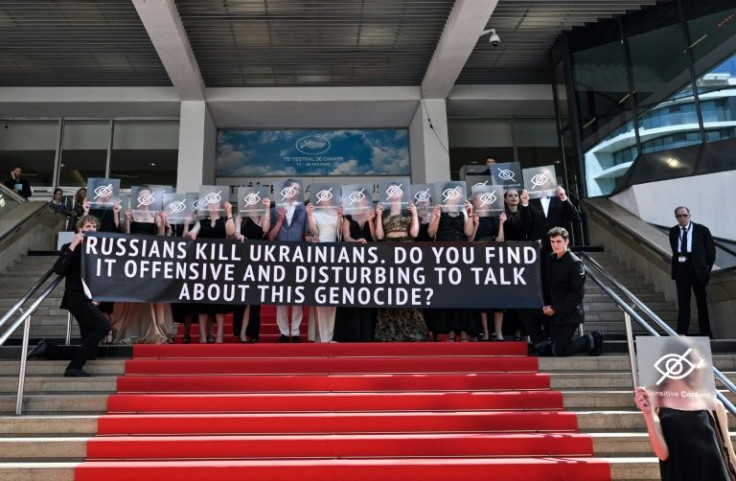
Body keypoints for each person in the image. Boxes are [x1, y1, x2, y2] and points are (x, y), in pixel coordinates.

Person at [634, 338, 736, 480]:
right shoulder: (657, 404)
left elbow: (729, 452)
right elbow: (662, 453)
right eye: (693, 363)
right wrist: (648, 414)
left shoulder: (712, 404)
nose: (699, 367)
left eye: (700, 362)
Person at [52, 215, 110, 377]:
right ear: (79, 229)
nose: (91, 229)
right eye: (87, 226)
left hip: (91, 299)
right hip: (76, 297)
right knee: (103, 327)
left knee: (91, 351)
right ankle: (74, 368)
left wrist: (98, 296)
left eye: (94, 227)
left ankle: (48, 349)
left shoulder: (100, 248)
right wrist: (74, 244)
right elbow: (59, 269)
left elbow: (103, 275)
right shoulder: (69, 246)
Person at [530, 227, 603, 357]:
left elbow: (577, 294)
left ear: (566, 241)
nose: (555, 245)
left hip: (569, 313)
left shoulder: (575, 263)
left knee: (559, 351)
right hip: (553, 313)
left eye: (558, 241)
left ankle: (591, 338)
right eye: (552, 242)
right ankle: (543, 344)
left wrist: (556, 309)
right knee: (526, 310)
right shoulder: (550, 258)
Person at [374, 192, 428, 342]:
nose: (394, 192)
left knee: (408, 288)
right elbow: (379, 236)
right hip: (388, 250)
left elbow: (414, 233)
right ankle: (389, 332)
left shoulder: (408, 210)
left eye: (397, 190)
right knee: (389, 289)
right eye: (390, 190)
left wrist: (415, 214)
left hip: (406, 250)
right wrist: (378, 216)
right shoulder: (384, 212)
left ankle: (412, 330)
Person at [428, 185, 475, 342]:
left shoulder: (463, 210)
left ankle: (463, 330)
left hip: (460, 252)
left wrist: (470, 214)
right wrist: (437, 216)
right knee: (447, 291)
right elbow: (430, 233)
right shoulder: (438, 209)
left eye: (460, 192)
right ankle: (450, 330)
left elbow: (468, 233)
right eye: (457, 192)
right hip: (442, 253)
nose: (459, 194)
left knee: (461, 291)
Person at [187, 199, 236, 343]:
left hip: (220, 267)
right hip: (203, 267)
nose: (213, 206)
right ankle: (203, 335)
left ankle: (219, 334)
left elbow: (231, 232)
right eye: (210, 204)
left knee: (220, 301)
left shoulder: (224, 220)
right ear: (206, 207)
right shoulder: (201, 222)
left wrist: (229, 212)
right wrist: (191, 234)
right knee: (202, 301)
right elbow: (192, 233)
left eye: (215, 203)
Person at [268, 180, 311, 343]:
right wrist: (279, 220)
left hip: (298, 256)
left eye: (296, 189)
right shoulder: (274, 210)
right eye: (291, 189)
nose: (294, 191)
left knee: (297, 295)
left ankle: (296, 331)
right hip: (279, 256)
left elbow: (306, 233)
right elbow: (271, 237)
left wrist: (312, 239)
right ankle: (284, 332)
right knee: (281, 297)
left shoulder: (303, 210)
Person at [669, 206, 716, 337]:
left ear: (690, 215)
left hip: (697, 270)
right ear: (676, 218)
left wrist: (706, 269)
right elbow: (675, 250)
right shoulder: (673, 231)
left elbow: (711, 252)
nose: (682, 218)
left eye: (685, 215)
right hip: (681, 269)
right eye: (679, 216)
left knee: (702, 303)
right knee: (683, 302)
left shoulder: (702, 230)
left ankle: (705, 333)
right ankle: (682, 332)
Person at [335, 199, 377, 342]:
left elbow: (376, 238)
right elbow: (346, 237)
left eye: (362, 198)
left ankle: (367, 334)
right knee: (351, 294)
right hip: (351, 260)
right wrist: (357, 242)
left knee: (368, 295)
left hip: (370, 261)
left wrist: (371, 221)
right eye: (357, 198)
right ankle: (349, 333)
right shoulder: (348, 216)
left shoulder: (373, 214)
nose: (360, 201)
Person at [232, 197, 271, 343]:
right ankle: (242, 332)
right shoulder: (241, 216)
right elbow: (236, 233)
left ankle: (254, 333)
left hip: (258, 261)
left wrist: (267, 208)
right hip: (243, 260)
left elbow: (265, 230)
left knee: (255, 300)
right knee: (243, 299)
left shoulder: (262, 215)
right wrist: (239, 235)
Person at [307, 202, 343, 342]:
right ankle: (320, 335)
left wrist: (340, 217)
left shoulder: (338, 212)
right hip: (319, 256)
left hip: (336, 257)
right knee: (319, 295)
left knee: (333, 296)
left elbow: (340, 235)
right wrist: (310, 216)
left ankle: (330, 335)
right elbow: (314, 233)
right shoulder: (315, 213)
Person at [526, 186, 580, 252]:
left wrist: (563, 197)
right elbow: (524, 224)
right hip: (538, 247)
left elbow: (576, 217)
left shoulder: (560, 198)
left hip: (559, 246)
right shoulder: (530, 200)